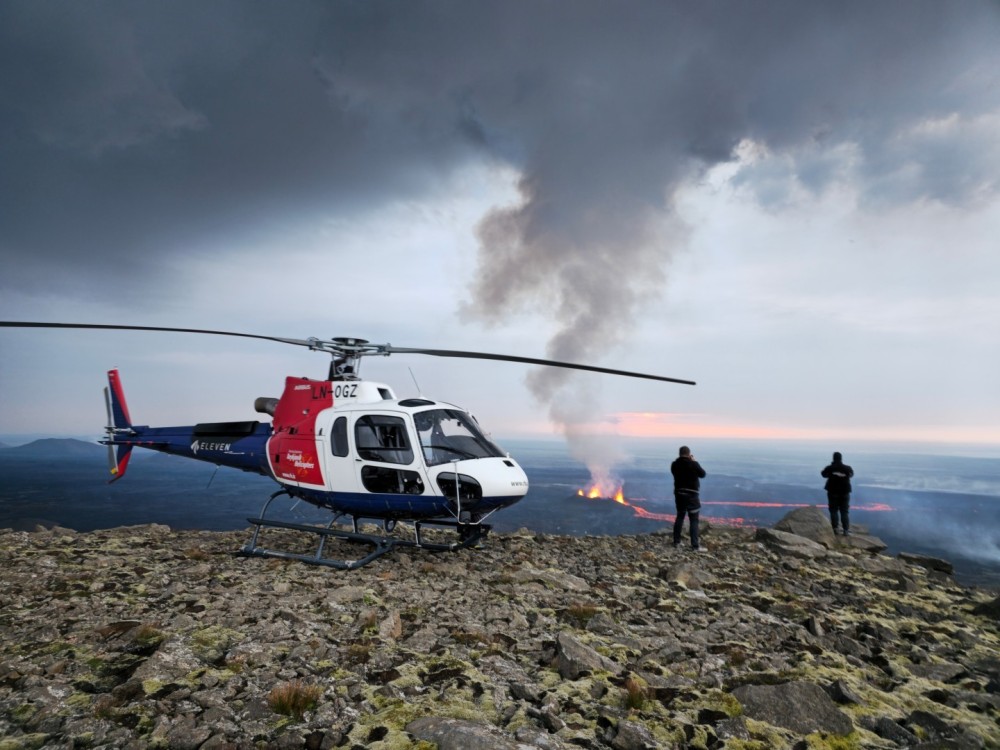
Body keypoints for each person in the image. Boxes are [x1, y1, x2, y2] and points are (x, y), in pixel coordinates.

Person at [671, 445, 707, 551]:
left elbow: (675, 473)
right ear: (689, 454)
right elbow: (703, 474)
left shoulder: (674, 465)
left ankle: (676, 542)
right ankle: (695, 546)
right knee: (694, 520)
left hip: (679, 494)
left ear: (679, 454)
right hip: (692, 495)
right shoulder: (693, 464)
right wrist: (693, 461)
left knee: (680, 517)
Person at [821, 451, 854, 535]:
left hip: (833, 492)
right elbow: (851, 474)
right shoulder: (847, 468)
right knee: (844, 511)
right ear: (841, 458)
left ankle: (835, 529)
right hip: (845, 492)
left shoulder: (830, 468)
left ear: (833, 458)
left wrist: (833, 474)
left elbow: (823, 474)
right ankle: (846, 530)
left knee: (833, 510)